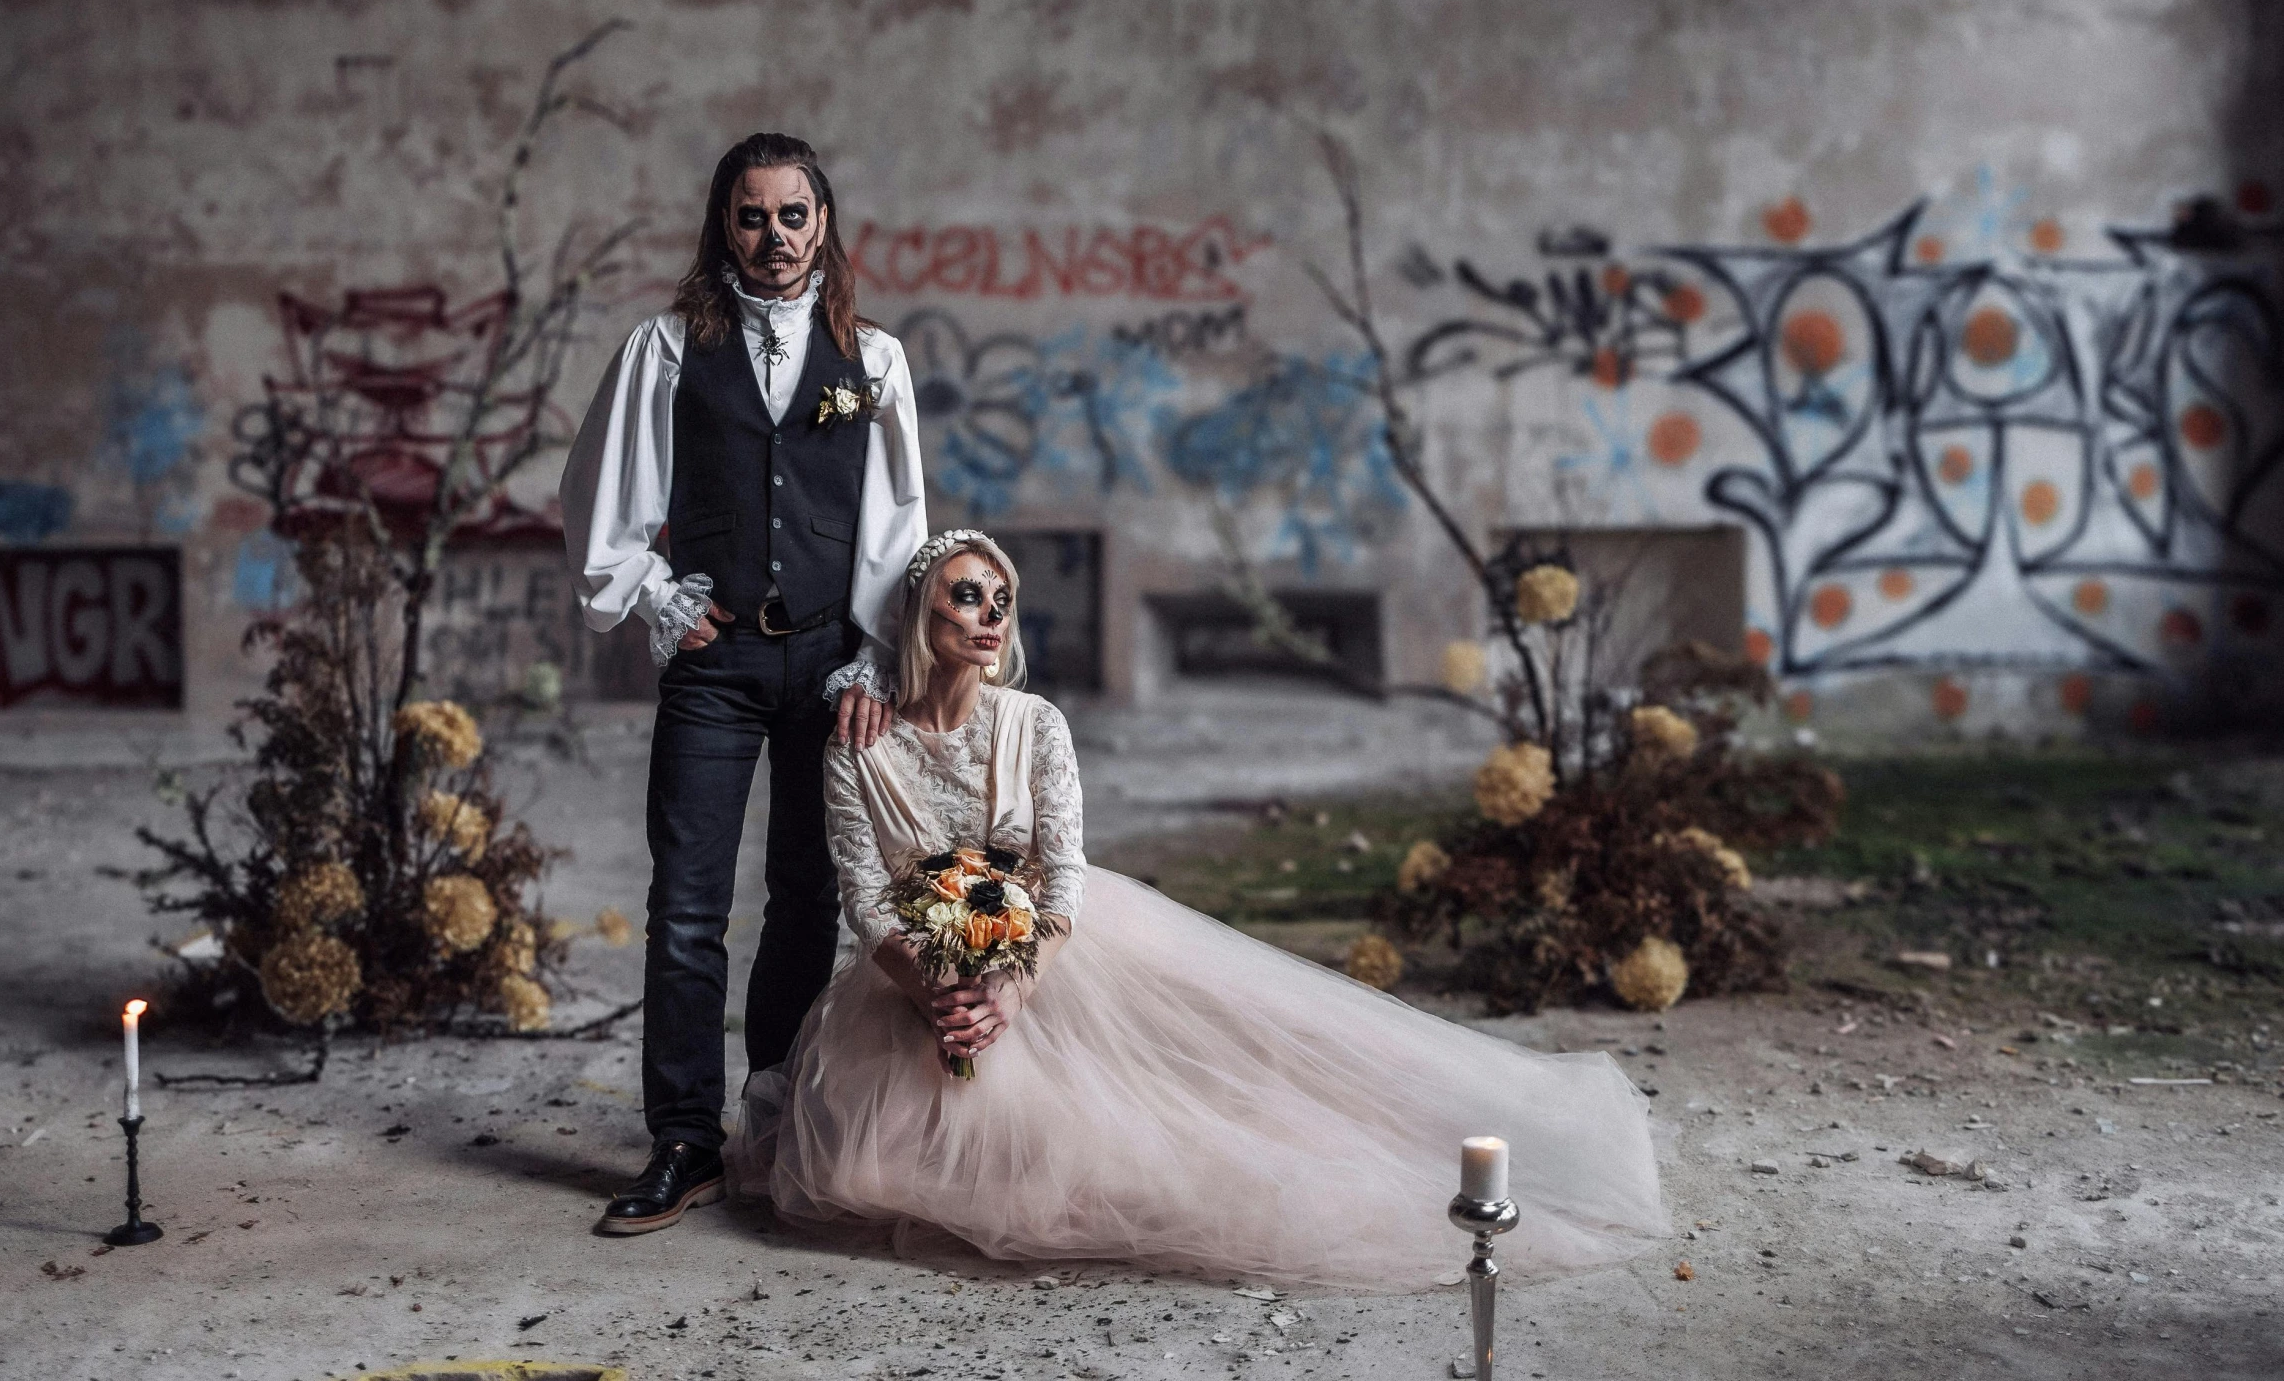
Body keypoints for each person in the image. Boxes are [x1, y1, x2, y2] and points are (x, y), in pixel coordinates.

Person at [728, 530, 1668, 1289]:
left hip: (1055, 955)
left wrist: (1009, 991)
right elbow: (865, 899)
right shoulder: (859, 741)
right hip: (917, 980)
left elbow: (1063, 878)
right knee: (872, 1163)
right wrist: (940, 992)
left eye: (1000, 600)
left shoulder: (1036, 723)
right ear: (917, 609)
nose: (988, 615)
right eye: (966, 595)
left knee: (1203, 1112)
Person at [561, 134, 926, 1235]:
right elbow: (602, 497)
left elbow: (896, 523)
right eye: (753, 216)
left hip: (829, 662)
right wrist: (655, 594)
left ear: (825, 222)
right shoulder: (667, 348)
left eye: (794, 216)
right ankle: (683, 1136)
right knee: (684, 907)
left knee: (807, 898)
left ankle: (774, 1118)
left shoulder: (872, 357)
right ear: (724, 223)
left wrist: (876, 649)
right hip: (714, 665)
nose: (774, 238)